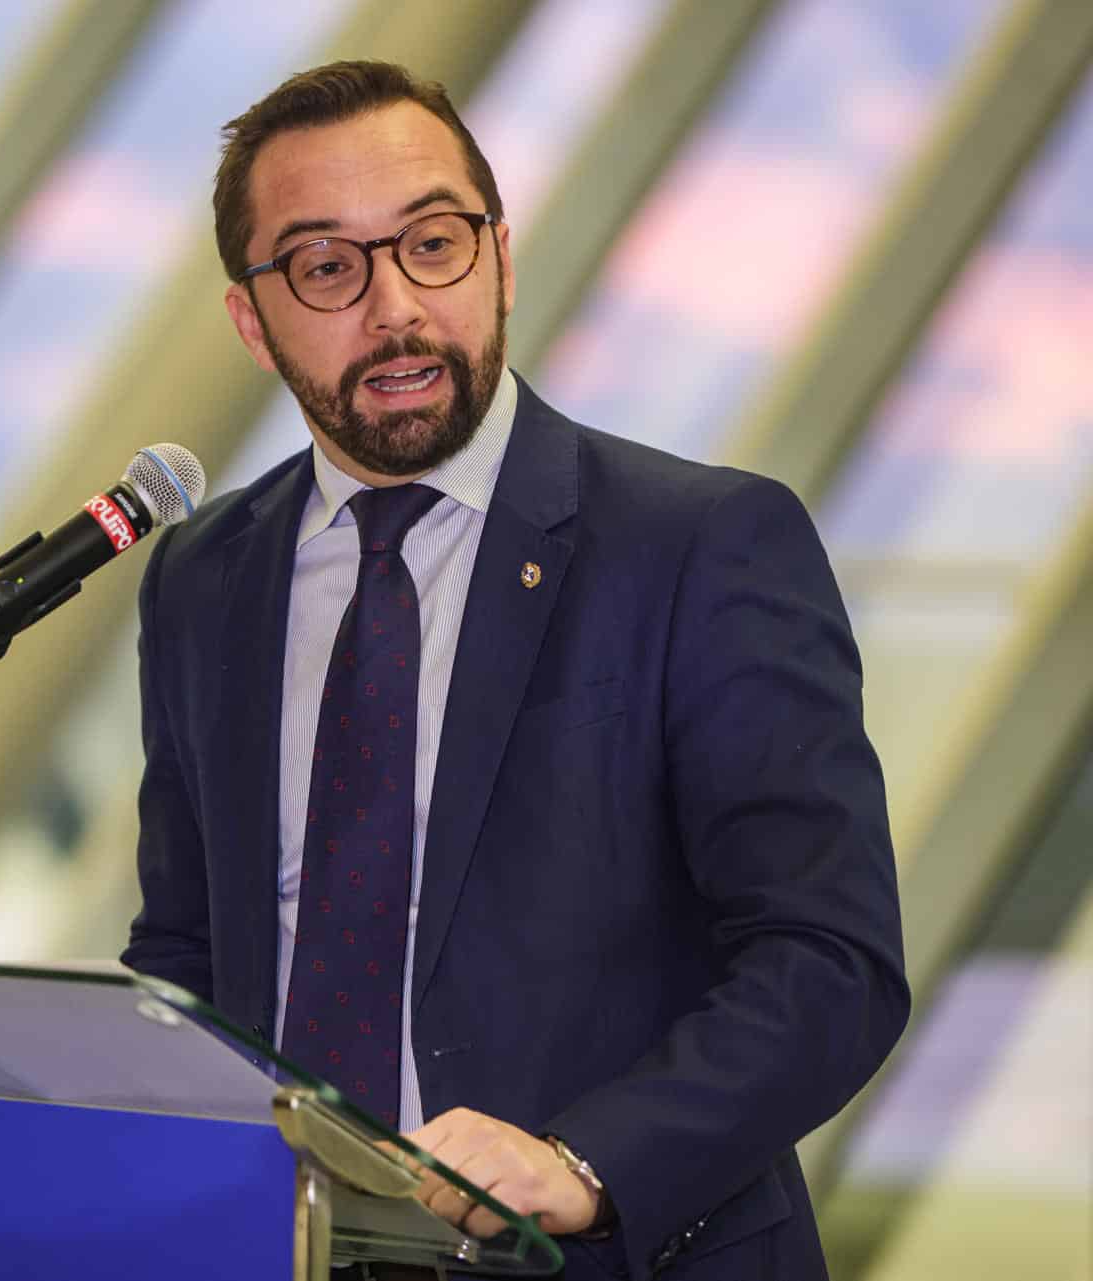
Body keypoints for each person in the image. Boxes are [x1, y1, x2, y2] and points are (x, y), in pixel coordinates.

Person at [121, 61, 909, 1281]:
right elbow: (186, 955)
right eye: (328, 267)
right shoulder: (202, 579)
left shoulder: (701, 544)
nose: (395, 309)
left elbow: (829, 963)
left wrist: (583, 1162)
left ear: (498, 257)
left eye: (433, 243)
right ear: (252, 319)